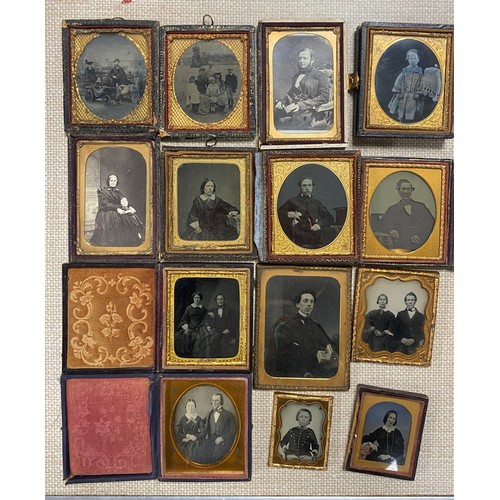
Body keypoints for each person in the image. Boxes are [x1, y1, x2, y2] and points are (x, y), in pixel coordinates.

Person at [274, 289, 338, 378]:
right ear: (297, 305)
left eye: (311, 302)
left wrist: (329, 349)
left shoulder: (317, 326)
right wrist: (303, 372)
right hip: (296, 372)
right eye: (305, 301)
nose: (309, 304)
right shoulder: (287, 326)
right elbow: (284, 356)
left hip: (317, 370)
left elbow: (329, 345)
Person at [274, 48, 331, 130]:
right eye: (300, 58)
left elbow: (324, 97)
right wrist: (282, 101)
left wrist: (300, 105)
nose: (301, 61)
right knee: (273, 114)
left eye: (305, 58)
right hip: (292, 106)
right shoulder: (297, 75)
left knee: (292, 124)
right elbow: (291, 93)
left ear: (312, 60)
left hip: (310, 109)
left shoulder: (320, 75)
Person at [278, 175, 336, 249]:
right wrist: (289, 214)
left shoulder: (317, 203)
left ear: (312, 187)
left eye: (309, 185)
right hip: (298, 240)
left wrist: (319, 225)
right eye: (304, 185)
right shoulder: (292, 201)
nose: (307, 188)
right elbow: (278, 213)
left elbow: (329, 218)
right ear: (300, 187)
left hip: (316, 240)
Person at [89, 174, 144, 247]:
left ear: (117, 182)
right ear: (108, 181)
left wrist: (129, 206)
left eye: (114, 181)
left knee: (132, 217)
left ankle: (133, 238)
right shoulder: (103, 192)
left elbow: (123, 200)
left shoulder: (117, 192)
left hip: (117, 209)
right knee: (116, 219)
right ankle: (116, 242)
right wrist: (117, 209)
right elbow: (104, 205)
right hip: (106, 211)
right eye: (111, 180)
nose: (113, 182)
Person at [379, 178, 435, 251]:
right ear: (399, 191)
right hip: (401, 245)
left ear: (411, 191)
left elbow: (431, 223)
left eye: (408, 189)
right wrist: (391, 230)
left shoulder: (421, 207)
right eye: (403, 189)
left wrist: (421, 236)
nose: (406, 192)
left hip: (421, 244)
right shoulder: (392, 209)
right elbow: (382, 223)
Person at [388, 48, 437, 122]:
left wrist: (418, 92)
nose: (413, 60)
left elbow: (421, 83)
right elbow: (399, 81)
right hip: (403, 94)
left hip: (413, 95)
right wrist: (399, 92)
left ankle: (411, 120)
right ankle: (400, 119)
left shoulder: (420, 73)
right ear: (407, 59)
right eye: (411, 58)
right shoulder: (404, 72)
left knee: (412, 108)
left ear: (418, 60)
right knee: (401, 107)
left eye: (415, 58)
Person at [199, 392, 237, 464]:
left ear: (221, 402)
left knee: (217, 456)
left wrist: (222, 438)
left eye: (216, 400)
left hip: (223, 441)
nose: (214, 402)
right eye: (213, 400)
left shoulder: (229, 414)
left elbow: (233, 431)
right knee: (202, 452)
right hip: (210, 439)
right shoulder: (209, 413)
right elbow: (201, 421)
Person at [174, 292, 216, 358]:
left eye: (198, 298)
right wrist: (185, 326)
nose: (197, 299)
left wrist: (208, 325)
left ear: (200, 299)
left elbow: (206, 319)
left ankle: (201, 357)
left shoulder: (203, 308)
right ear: (193, 299)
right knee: (183, 337)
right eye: (195, 298)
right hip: (190, 327)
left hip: (201, 327)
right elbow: (184, 318)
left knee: (206, 336)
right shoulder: (189, 308)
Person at [206, 294, 238, 358]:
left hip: (226, 330)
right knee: (212, 341)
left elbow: (234, 322)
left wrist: (229, 329)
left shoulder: (230, 310)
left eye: (221, 299)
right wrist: (208, 326)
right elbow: (207, 320)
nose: (220, 301)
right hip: (216, 330)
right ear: (216, 301)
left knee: (223, 343)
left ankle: (223, 360)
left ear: (224, 300)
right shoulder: (213, 310)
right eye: (218, 299)